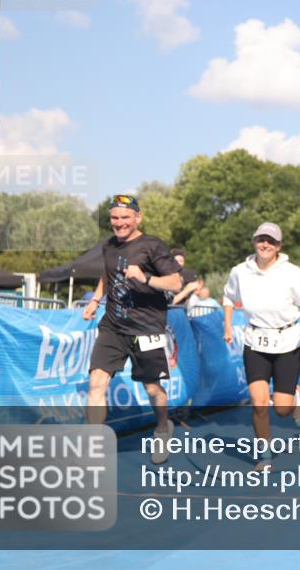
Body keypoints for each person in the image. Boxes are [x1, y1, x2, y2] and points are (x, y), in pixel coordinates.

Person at [82, 194, 183, 464]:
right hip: (113, 326)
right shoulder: (108, 246)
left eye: (125, 217)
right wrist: (95, 300)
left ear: (138, 217)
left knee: (152, 388)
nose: (119, 223)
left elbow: (175, 283)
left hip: (146, 329)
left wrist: (146, 277)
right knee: (97, 382)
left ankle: (163, 428)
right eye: (115, 218)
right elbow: (108, 273)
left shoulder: (152, 245)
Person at [223, 222, 300, 471]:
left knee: (282, 409)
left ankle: (297, 398)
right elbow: (228, 297)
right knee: (258, 402)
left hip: (287, 342)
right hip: (255, 341)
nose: (265, 244)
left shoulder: (291, 273)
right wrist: (227, 325)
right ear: (254, 241)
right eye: (261, 239)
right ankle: (264, 456)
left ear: (279, 246)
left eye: (271, 241)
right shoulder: (240, 272)